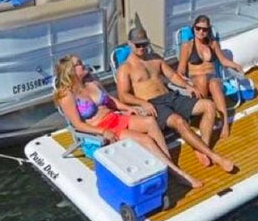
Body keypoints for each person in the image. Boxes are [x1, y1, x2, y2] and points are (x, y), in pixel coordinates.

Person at [55, 54, 203, 188]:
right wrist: (103, 131)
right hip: (102, 130)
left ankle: (168, 165)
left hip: (115, 118)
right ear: (71, 71)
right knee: (146, 140)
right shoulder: (67, 96)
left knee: (150, 122)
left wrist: (127, 108)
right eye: (79, 64)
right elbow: (78, 125)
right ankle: (177, 174)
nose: (83, 64)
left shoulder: (91, 82)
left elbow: (110, 100)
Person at [116, 27, 235, 172]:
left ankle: (202, 147)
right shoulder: (125, 68)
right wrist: (143, 103)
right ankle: (215, 157)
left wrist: (187, 86)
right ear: (129, 44)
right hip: (154, 104)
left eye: (144, 44)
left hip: (171, 97)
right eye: (138, 45)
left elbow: (172, 76)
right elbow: (123, 95)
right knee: (180, 122)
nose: (142, 48)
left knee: (209, 105)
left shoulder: (155, 58)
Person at [177, 15, 244, 139]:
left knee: (214, 83)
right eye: (198, 28)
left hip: (212, 77)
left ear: (209, 30)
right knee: (202, 79)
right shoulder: (187, 46)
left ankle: (224, 124)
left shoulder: (213, 44)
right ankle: (204, 115)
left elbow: (223, 61)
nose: (201, 32)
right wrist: (184, 81)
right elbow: (181, 68)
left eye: (205, 29)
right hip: (196, 79)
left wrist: (236, 66)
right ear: (194, 28)